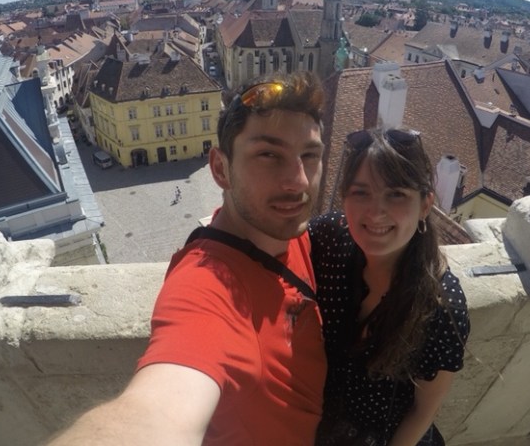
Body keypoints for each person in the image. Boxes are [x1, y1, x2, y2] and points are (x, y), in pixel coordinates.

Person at [48, 71, 328, 445]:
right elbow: (153, 413)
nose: (299, 181)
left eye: (310, 155)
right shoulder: (206, 285)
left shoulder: (292, 230)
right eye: (268, 155)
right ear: (219, 169)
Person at [310, 127, 470, 446]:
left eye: (396, 194)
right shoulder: (327, 239)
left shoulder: (440, 307)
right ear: (344, 198)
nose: (375, 211)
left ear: (425, 205)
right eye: (361, 192)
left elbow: (422, 414)